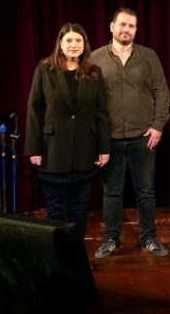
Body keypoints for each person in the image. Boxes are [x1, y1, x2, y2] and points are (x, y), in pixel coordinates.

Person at [92, 7, 170, 258]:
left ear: (136, 30)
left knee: (145, 191)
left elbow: (162, 92)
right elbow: (89, 101)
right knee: (112, 192)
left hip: (142, 138)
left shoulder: (148, 56)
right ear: (111, 26)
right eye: (122, 25)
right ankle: (110, 239)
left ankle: (149, 238)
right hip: (110, 139)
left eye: (131, 26)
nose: (126, 30)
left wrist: (158, 125)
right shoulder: (95, 59)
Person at [25, 23, 110, 239]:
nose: (74, 45)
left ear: (85, 45)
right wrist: (34, 149)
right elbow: (35, 109)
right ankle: (56, 261)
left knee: (80, 210)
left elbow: (101, 112)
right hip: (52, 152)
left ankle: (76, 259)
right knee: (56, 210)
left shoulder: (94, 72)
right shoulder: (44, 69)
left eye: (78, 40)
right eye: (69, 40)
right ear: (60, 44)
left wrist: (104, 148)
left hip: (84, 152)